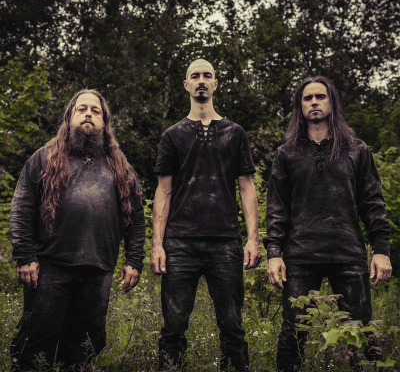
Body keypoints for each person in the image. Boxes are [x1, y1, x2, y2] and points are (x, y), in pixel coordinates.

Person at [9, 89, 146, 371]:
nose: (88, 114)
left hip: (98, 268)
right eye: (81, 109)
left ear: (105, 122)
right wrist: (25, 256)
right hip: (49, 267)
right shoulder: (44, 158)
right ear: (69, 118)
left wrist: (134, 260)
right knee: (37, 343)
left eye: (96, 111)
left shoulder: (120, 166)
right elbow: (22, 207)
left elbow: (135, 216)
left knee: (84, 346)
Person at [265, 76, 392, 371]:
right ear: (300, 106)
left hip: (347, 253)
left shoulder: (356, 150)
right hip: (301, 255)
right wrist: (273, 253)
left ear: (332, 102)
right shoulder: (286, 154)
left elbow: (372, 202)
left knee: (361, 332)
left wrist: (381, 249)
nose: (314, 102)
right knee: (292, 332)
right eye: (307, 98)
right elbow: (277, 208)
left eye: (320, 96)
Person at [150, 59, 262, 371]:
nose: (201, 80)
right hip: (180, 243)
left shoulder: (235, 133)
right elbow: (163, 190)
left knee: (233, 327)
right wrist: (157, 244)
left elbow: (246, 187)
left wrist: (253, 239)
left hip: (225, 241)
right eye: (195, 76)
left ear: (215, 84)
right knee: (173, 328)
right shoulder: (172, 135)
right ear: (186, 85)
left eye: (207, 75)